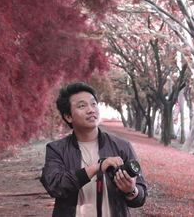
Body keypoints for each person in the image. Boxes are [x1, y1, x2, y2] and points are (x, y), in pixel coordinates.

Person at [40, 82, 147, 217]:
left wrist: (131, 191)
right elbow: (55, 187)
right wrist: (97, 168)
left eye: (93, 104)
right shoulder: (56, 149)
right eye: (82, 106)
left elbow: (141, 197)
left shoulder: (121, 146)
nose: (91, 110)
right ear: (68, 116)